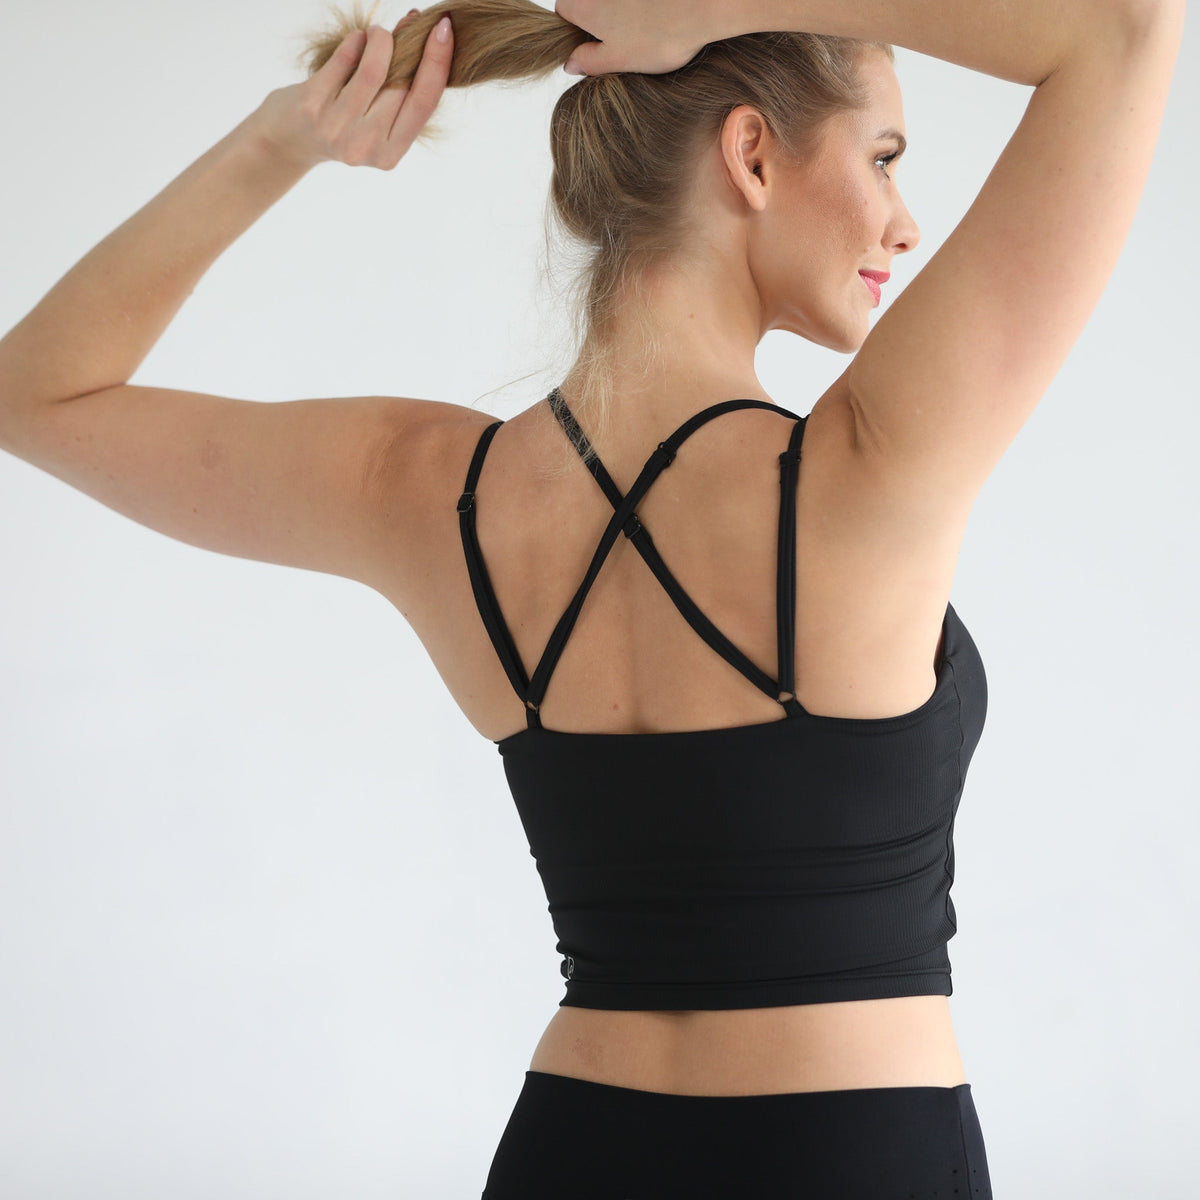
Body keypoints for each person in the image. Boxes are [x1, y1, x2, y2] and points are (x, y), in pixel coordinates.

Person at [0, 0, 1183, 1195]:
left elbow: (35, 395)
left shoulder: (430, 494)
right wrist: (741, 4)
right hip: (854, 1155)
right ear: (752, 153)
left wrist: (282, 141)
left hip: (572, 1148)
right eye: (882, 158)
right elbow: (1122, 32)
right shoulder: (873, 464)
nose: (904, 220)